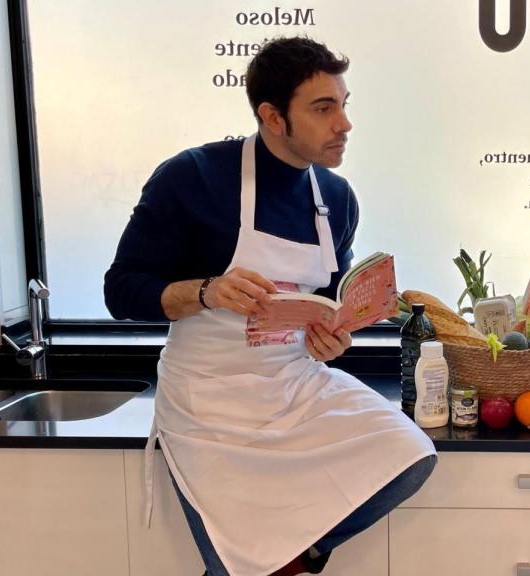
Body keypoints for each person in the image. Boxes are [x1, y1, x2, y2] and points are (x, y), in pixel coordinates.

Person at [104, 37, 436, 576]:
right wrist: (206, 290)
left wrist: (331, 338)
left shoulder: (337, 198)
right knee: (237, 566)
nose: (344, 125)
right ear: (272, 116)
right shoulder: (192, 177)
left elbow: (325, 303)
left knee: (408, 457)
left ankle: (298, 555)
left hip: (295, 385)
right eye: (323, 109)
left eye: (344, 105)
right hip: (208, 401)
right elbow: (121, 291)